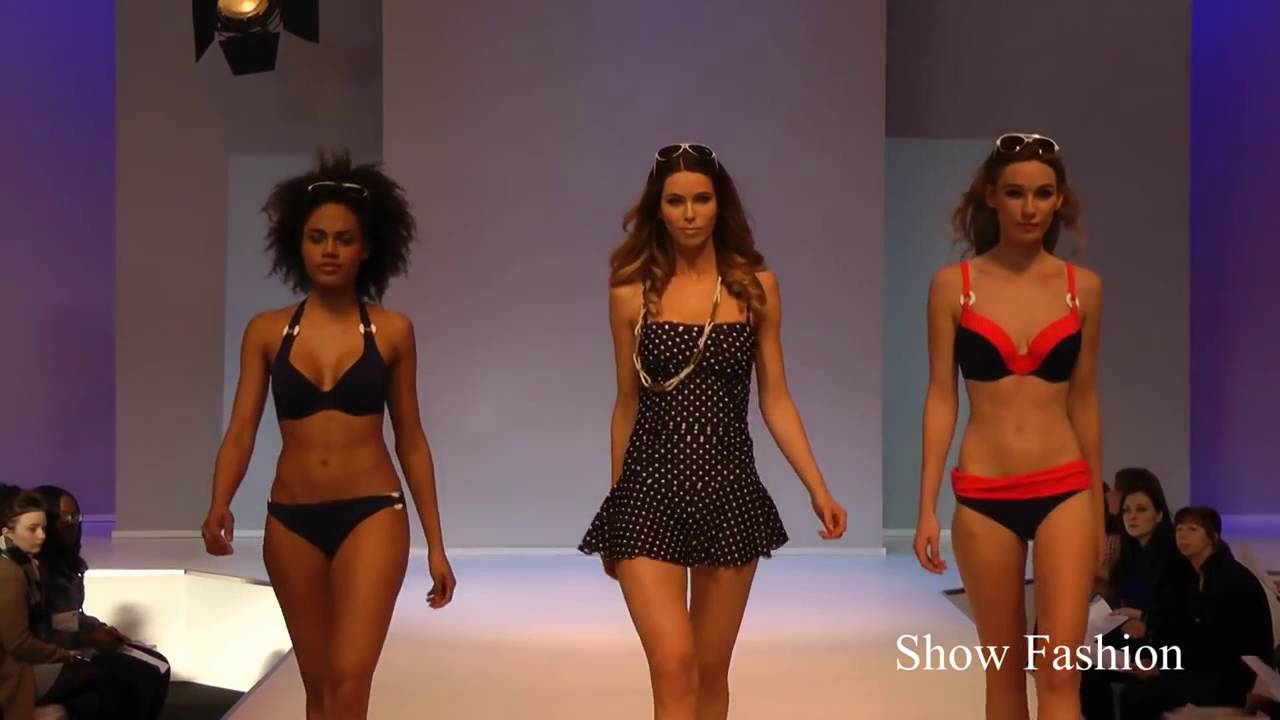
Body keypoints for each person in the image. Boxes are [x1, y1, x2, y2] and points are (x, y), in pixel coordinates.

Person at [578, 143, 848, 720]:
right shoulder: (629, 293)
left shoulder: (754, 287)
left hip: (729, 492)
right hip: (647, 494)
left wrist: (817, 487)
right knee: (673, 665)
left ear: (720, 204)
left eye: (701, 199)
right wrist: (617, 504)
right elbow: (626, 404)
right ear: (657, 208)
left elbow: (776, 398)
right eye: (675, 201)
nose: (689, 213)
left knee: (708, 673)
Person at [200, 149, 456, 720]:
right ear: (298, 243)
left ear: (367, 248)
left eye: (344, 239)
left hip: (373, 513)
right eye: (317, 238)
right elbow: (242, 427)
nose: (330, 250)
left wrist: (437, 545)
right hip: (290, 519)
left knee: (350, 678)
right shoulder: (267, 331)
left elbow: (411, 439)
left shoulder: (392, 331)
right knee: (317, 686)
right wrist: (220, 500)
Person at [913, 133, 1104, 719]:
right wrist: (926, 507)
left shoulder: (1082, 288)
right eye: (1016, 193)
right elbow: (941, 396)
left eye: (1042, 194)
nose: (1029, 208)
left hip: (1065, 488)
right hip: (983, 491)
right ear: (991, 196)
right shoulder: (954, 286)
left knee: (1061, 675)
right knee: (1002, 674)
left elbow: (1085, 400)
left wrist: (1098, 510)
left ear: (1059, 201)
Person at [1120, 506, 1275, 718]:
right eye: (1179, 529)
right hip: (1197, 668)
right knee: (1134, 687)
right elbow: (1174, 627)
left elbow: (1219, 643)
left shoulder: (1233, 578)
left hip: (1230, 674)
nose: (1182, 534)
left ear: (1213, 537)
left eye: (1192, 529)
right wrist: (1155, 659)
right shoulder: (1185, 576)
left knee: (1141, 695)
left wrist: (1164, 669)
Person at [32, 486, 170, 718]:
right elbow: (38, 633)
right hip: (46, 658)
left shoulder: (68, 567)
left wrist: (99, 628)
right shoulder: (32, 571)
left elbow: (71, 616)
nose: (72, 522)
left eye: (75, 516)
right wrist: (86, 637)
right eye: (65, 516)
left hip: (73, 645)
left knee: (158, 664)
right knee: (126, 675)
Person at [1079, 471, 1178, 718]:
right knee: (1080, 664)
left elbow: (1179, 613)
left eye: (1141, 510)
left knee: (1136, 692)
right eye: (1127, 511)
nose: (1132, 517)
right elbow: (1117, 600)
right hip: (1130, 636)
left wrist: (1145, 620)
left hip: (1164, 641)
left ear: (1159, 515)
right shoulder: (1128, 555)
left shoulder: (1173, 555)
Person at [0, 491, 86, 720]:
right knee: (106, 676)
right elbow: (18, 644)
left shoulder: (28, 565)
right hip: (13, 674)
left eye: (44, 528)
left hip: (24, 663)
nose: (42, 535)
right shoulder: (10, 573)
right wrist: (62, 654)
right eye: (32, 529)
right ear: (7, 532)